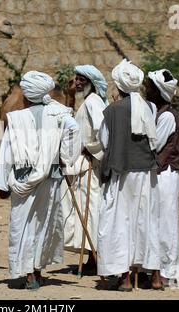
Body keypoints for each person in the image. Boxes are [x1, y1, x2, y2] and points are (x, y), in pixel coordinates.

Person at [0, 71, 81, 290]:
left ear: (27, 96)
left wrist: (2, 184)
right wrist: (64, 158)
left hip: (23, 179)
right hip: (50, 179)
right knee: (43, 225)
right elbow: (75, 130)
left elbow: (6, 151)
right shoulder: (59, 114)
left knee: (23, 226)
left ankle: (29, 273)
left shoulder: (16, 118)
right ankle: (37, 271)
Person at [97, 59, 162, 291]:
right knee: (146, 221)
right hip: (146, 174)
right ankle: (155, 276)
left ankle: (124, 279)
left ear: (119, 86)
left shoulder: (112, 110)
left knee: (119, 223)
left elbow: (105, 141)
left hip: (122, 173)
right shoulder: (151, 108)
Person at [60, 65, 108, 273]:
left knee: (92, 210)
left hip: (90, 165)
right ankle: (92, 258)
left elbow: (101, 130)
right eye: (77, 79)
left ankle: (96, 260)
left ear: (92, 82)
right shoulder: (89, 102)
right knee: (87, 211)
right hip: (84, 164)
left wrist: (92, 150)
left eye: (82, 80)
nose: (77, 83)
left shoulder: (93, 102)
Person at [145, 69, 179, 288]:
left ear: (159, 92)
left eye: (150, 87)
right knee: (156, 222)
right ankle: (155, 270)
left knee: (165, 223)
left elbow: (154, 145)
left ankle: (167, 272)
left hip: (165, 176)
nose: (147, 90)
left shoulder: (167, 116)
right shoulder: (159, 112)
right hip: (161, 175)